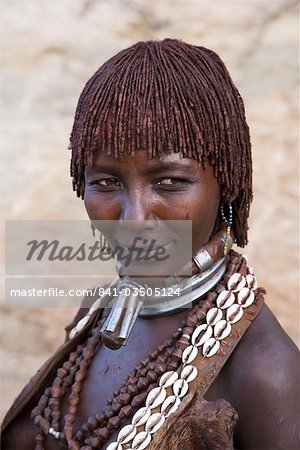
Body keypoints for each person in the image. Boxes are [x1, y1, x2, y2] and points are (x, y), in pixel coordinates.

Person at [1, 39, 299, 450]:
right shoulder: (99, 312)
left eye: (171, 181)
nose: (134, 219)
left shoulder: (266, 374)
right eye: (106, 182)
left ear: (228, 185)